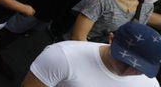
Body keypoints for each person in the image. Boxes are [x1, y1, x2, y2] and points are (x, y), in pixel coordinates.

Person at [23, 21, 161, 86]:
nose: (127, 71)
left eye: (139, 69)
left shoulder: (150, 84)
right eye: (123, 60)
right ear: (111, 39)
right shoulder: (62, 55)